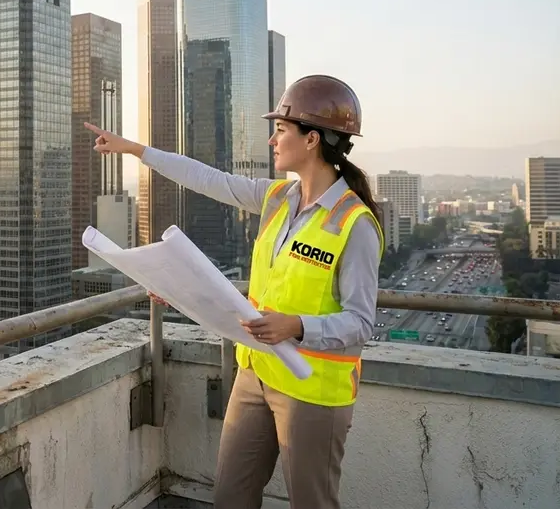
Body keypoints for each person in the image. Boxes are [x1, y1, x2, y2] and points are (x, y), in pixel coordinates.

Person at [84, 74, 383, 509]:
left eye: (281, 130)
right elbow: (208, 179)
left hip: (313, 391)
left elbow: (359, 324)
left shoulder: (354, 224)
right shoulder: (279, 199)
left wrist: (296, 327)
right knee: (230, 497)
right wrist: (134, 150)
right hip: (255, 373)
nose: (272, 139)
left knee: (312, 503)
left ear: (313, 139)